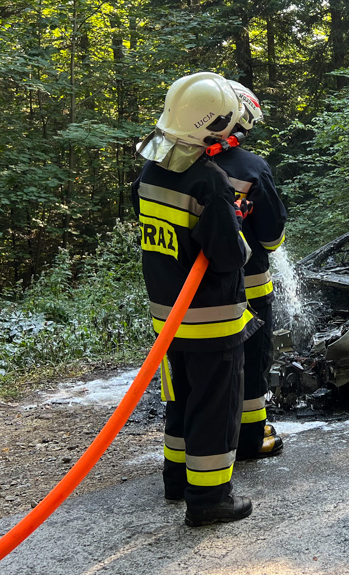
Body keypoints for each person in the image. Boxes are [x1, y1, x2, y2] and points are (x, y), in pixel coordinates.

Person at [133, 72, 258, 526]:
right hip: (212, 321)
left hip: (167, 318)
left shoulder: (150, 169)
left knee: (181, 398)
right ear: (214, 124)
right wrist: (233, 223)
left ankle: (176, 479)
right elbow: (228, 257)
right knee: (214, 405)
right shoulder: (208, 180)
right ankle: (209, 500)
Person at [211, 81, 287, 459]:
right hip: (250, 292)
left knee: (205, 372)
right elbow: (272, 238)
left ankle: (209, 437)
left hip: (190, 301)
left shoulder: (165, 168)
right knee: (251, 366)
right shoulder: (253, 168)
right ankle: (253, 438)